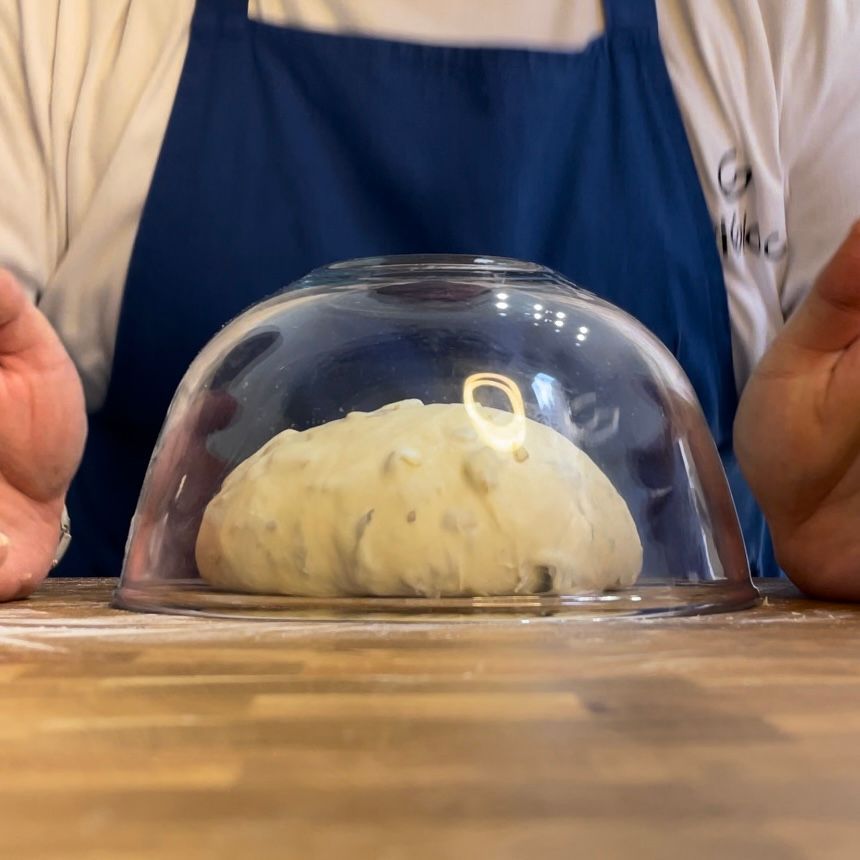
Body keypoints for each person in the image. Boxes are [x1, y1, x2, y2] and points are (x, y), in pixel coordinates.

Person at [1, 0, 859, 602]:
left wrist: (835, 501)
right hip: (163, 723)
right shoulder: (70, 22)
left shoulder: (786, 19)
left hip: (673, 722)